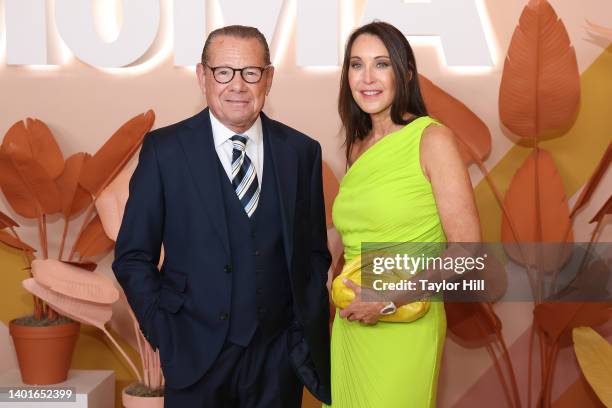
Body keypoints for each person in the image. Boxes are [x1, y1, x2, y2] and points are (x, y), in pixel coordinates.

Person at [112, 25, 331, 408]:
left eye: (251, 72)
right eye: (224, 72)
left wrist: (298, 332)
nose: (238, 86)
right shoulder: (165, 150)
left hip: (277, 362)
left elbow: (314, 254)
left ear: (269, 78)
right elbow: (132, 256)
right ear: (203, 76)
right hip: (194, 357)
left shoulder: (301, 152)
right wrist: (165, 330)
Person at [327, 21, 481, 407]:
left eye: (381, 64)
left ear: (405, 73)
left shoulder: (433, 139)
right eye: (356, 65)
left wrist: (389, 297)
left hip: (405, 318)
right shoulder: (358, 147)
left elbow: (468, 251)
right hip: (351, 324)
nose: (367, 78)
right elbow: (349, 233)